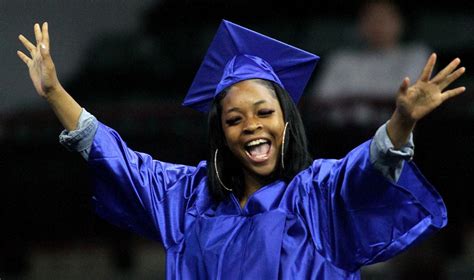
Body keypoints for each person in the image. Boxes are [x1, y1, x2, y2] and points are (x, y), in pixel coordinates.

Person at [17, 20, 466, 279]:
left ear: (286, 122)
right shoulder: (188, 200)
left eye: (264, 113)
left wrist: (402, 120)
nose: (252, 126)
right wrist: (55, 90)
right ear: (222, 135)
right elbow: (117, 157)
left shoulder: (317, 196)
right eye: (235, 119)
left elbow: (367, 168)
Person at [310, 0, 431, 126]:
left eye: (384, 18)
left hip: (398, 134)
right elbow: (322, 99)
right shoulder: (340, 59)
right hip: (342, 135)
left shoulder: (416, 54)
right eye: (370, 17)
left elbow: (408, 97)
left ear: (401, 22)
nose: (377, 24)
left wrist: (355, 99)